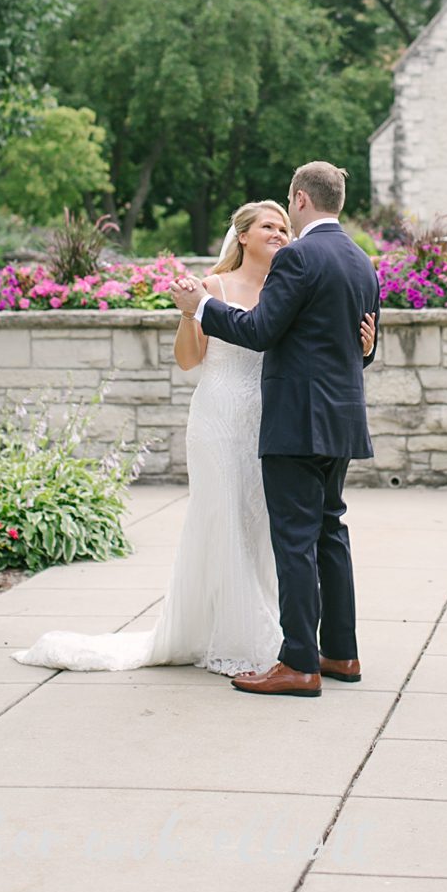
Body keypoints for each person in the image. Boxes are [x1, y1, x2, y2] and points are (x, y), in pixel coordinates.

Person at [13, 197, 377, 678]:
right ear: (242, 235)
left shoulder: (292, 277)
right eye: (268, 226)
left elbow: (302, 338)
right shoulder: (212, 286)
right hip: (222, 417)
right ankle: (245, 635)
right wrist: (193, 313)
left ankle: (285, 643)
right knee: (230, 519)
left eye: (284, 227)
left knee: (272, 532)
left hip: (277, 419)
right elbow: (189, 359)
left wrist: (363, 347)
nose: (280, 234)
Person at [167, 161, 382, 698]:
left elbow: (262, 330)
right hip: (341, 418)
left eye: (288, 208)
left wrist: (202, 307)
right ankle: (342, 652)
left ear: (300, 199)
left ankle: (299, 663)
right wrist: (369, 348)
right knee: (331, 531)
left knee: (294, 540)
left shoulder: (298, 257)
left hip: (296, 420)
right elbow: (354, 342)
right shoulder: (361, 261)